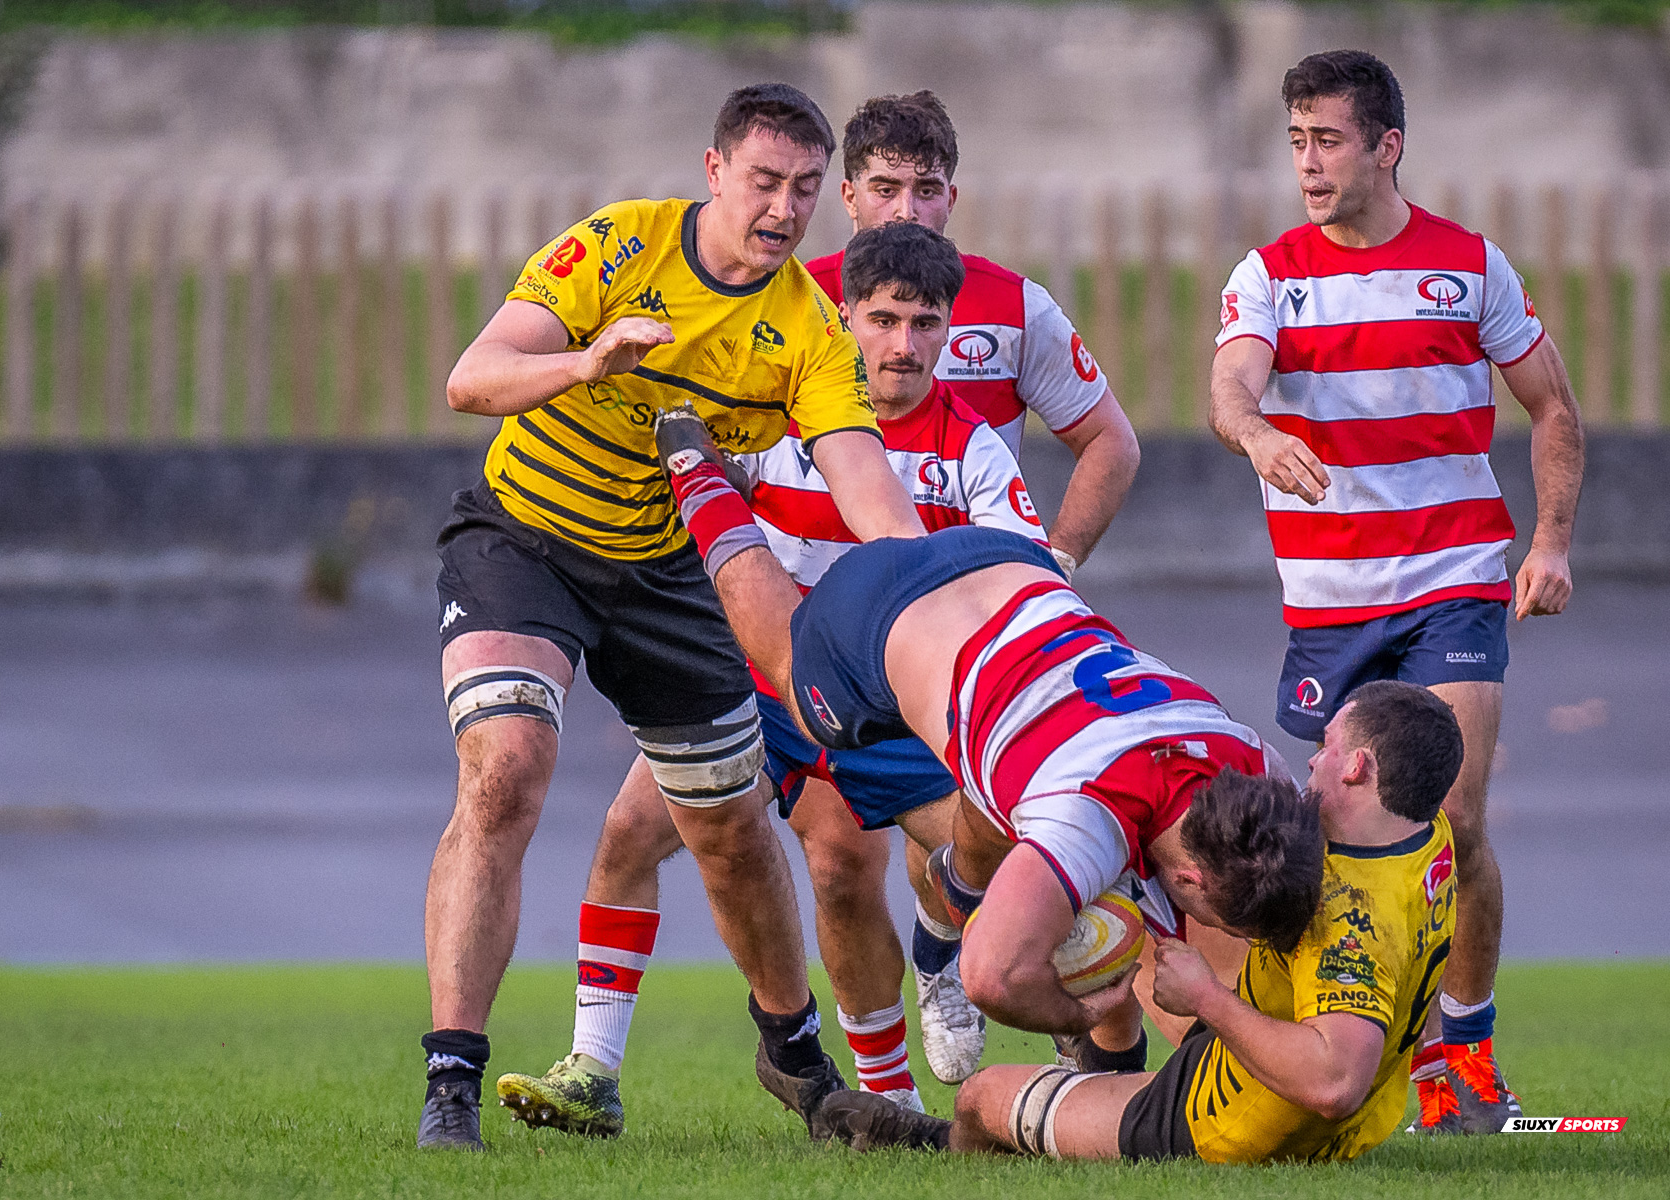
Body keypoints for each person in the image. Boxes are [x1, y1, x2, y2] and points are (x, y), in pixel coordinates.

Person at [416, 82, 928, 1150]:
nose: (782, 209)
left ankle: (791, 1054)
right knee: (505, 768)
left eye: (802, 190)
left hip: (662, 573)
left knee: (735, 833)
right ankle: (451, 1083)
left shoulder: (806, 330)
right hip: (523, 539)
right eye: (762, 182)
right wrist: (586, 362)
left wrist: (930, 589)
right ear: (713, 172)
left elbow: (863, 482)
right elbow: (473, 377)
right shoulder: (618, 246)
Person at [494, 222, 1047, 1136]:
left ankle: (1015, 1008)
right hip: (758, 681)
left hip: (881, 705)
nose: (903, 345)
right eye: (882, 320)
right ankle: (594, 1066)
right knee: (629, 834)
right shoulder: (778, 421)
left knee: (1012, 860)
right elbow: (688, 505)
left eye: (924, 323)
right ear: (844, 319)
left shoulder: (974, 452)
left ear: (949, 331)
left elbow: (1018, 586)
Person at [648, 416, 1325, 1105]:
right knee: (791, 670)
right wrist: (1078, 1012)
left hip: (1007, 570)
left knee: (996, 779)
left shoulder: (1246, 756)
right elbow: (993, 978)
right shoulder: (1085, 819)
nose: (1200, 924)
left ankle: (959, 884)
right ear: (1189, 875)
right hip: (883, 618)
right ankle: (698, 478)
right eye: (1212, 916)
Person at [1206, 49, 1583, 1133]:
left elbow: (1553, 409)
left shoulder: (1468, 267)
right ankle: (1322, 1047)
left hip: (1454, 581)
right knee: (1321, 828)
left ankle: (1461, 1068)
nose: (1309, 164)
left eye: (1327, 140)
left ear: (1386, 145)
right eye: (1295, 143)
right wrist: (1257, 428)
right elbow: (1230, 383)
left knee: (1454, 817)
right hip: (1328, 603)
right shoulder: (1269, 273)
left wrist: (1549, 542)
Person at [802, 88, 1143, 1084]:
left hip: (967, 619)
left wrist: (1052, 573)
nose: (908, 207)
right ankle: (877, 1074)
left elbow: (1108, 445)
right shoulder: (790, 298)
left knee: (1007, 829)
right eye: (886, 187)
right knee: (830, 856)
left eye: (928, 187)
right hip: (817, 617)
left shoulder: (1014, 304)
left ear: (955, 195)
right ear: (849, 195)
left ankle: (989, 985)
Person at [822, 681, 1461, 1166]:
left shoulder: (1347, 914)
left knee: (980, 1098)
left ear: (1359, 770)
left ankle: (939, 1146)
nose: (1313, 762)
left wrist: (1207, 1000)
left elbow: (1334, 1081)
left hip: (1232, 1116)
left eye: (1327, 750)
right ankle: (1089, 1094)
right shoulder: (1426, 837)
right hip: (1296, 1091)